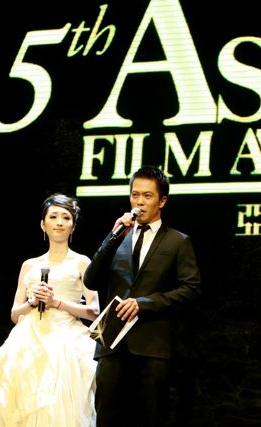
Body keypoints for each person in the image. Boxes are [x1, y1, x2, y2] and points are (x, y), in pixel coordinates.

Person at [83, 165, 202, 427]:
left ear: (162, 201)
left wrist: (144, 304)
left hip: (152, 345)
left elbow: (191, 290)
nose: (139, 202)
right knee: (107, 417)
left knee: (149, 417)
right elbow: (90, 280)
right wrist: (111, 237)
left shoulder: (178, 241)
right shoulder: (118, 238)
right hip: (111, 343)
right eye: (135, 195)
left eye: (147, 196)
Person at [0, 193, 100, 426]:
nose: (59, 222)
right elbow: (15, 314)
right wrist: (32, 301)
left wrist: (57, 302)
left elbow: (94, 310)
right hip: (28, 342)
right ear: (43, 224)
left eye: (66, 217)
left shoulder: (82, 262)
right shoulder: (30, 265)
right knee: (22, 402)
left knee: (60, 406)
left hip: (66, 343)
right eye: (53, 216)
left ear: (73, 227)